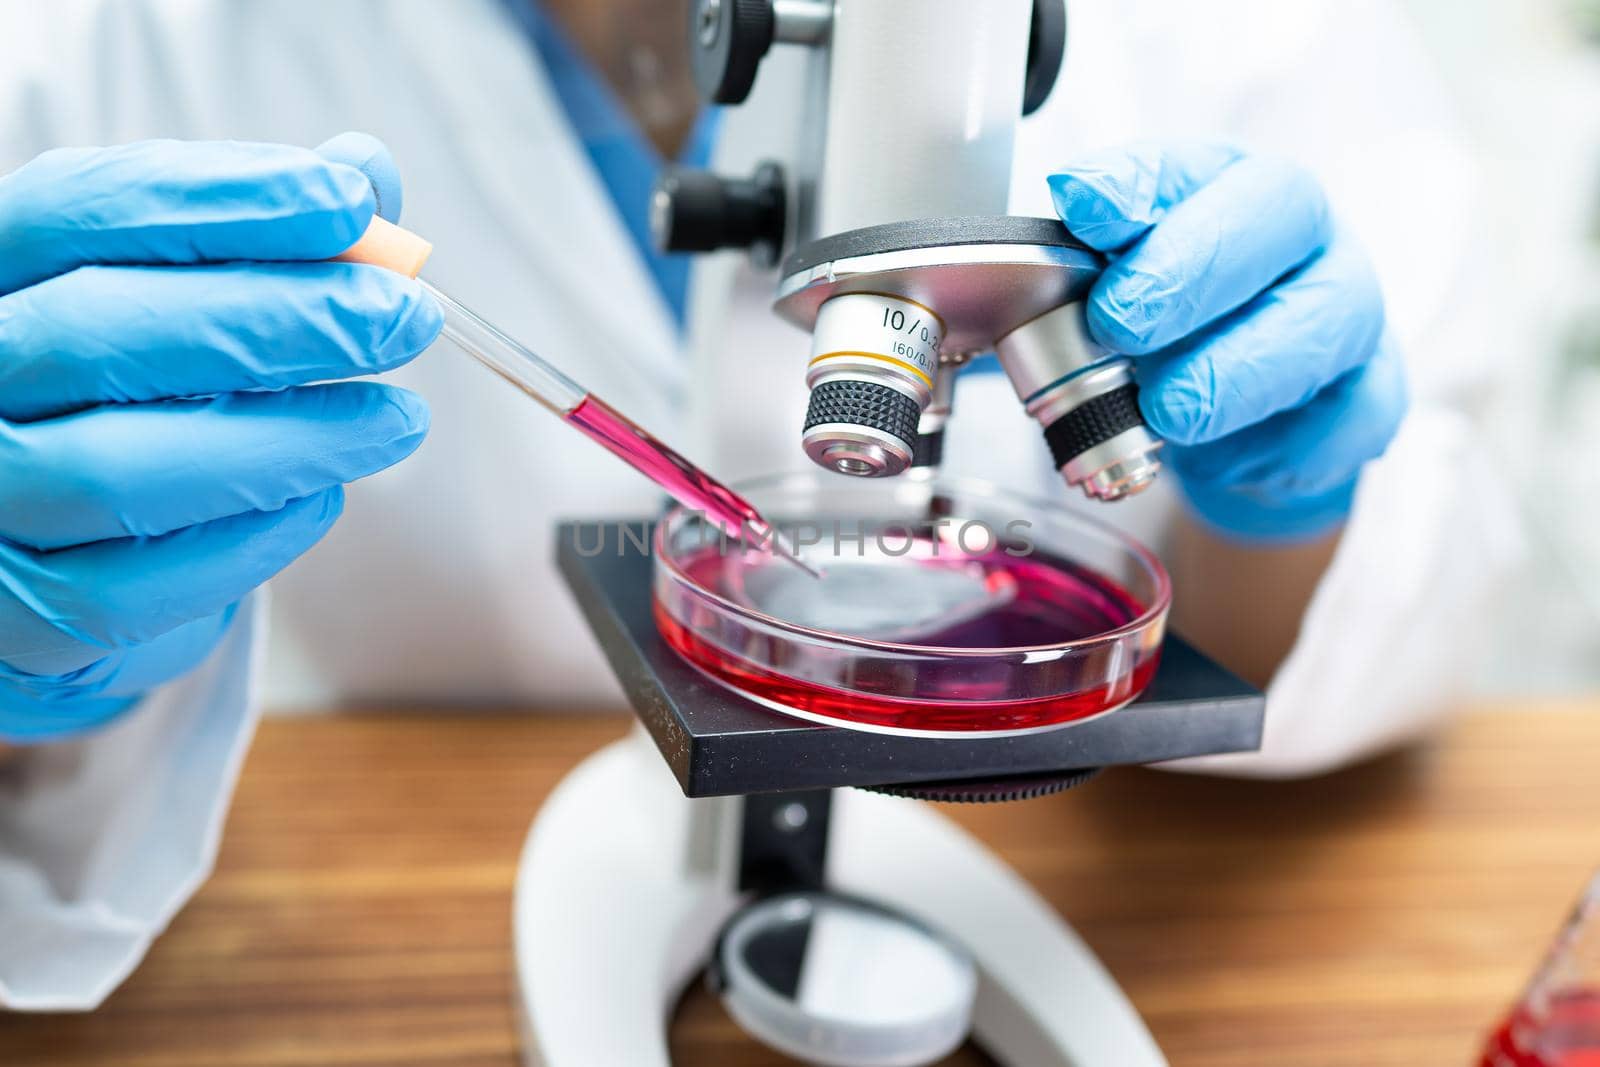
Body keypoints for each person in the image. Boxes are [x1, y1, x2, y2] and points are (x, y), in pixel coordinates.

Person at [0, 0, 1515, 1010]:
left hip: (1152, 885)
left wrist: (1280, 505)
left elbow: (1420, 566)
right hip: (353, 905)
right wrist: (26, 654)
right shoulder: (106, 36)